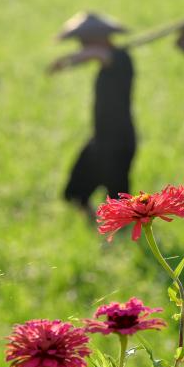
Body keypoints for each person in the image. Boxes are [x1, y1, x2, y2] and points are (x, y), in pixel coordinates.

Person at [49, 12, 137, 218]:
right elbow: (97, 54)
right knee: (74, 192)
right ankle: (96, 227)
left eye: (84, 41)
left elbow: (99, 54)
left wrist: (68, 60)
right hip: (100, 140)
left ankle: (122, 238)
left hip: (119, 142)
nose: (81, 46)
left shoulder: (121, 59)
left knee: (119, 202)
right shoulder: (110, 60)